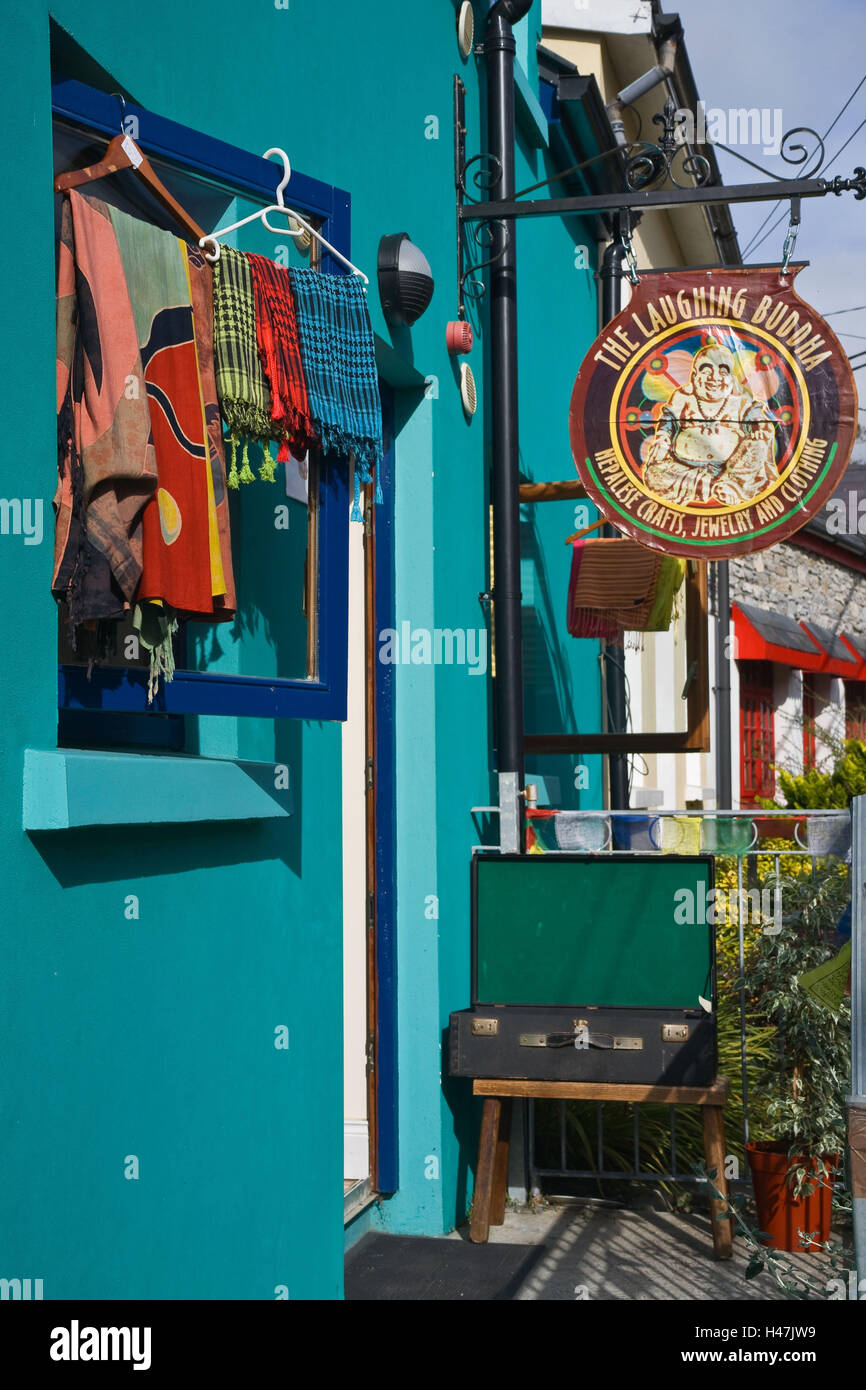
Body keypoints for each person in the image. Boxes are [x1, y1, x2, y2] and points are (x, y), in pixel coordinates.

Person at [642, 342, 778, 507]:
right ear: (694, 375)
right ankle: (716, 486)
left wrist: (758, 429)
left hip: (731, 467)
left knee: (757, 445)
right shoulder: (683, 396)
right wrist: (662, 440)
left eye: (722, 371)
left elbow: (756, 418)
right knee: (654, 475)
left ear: (731, 376)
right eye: (706, 370)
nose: (714, 377)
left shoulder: (740, 397)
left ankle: (730, 484)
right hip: (684, 467)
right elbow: (667, 422)